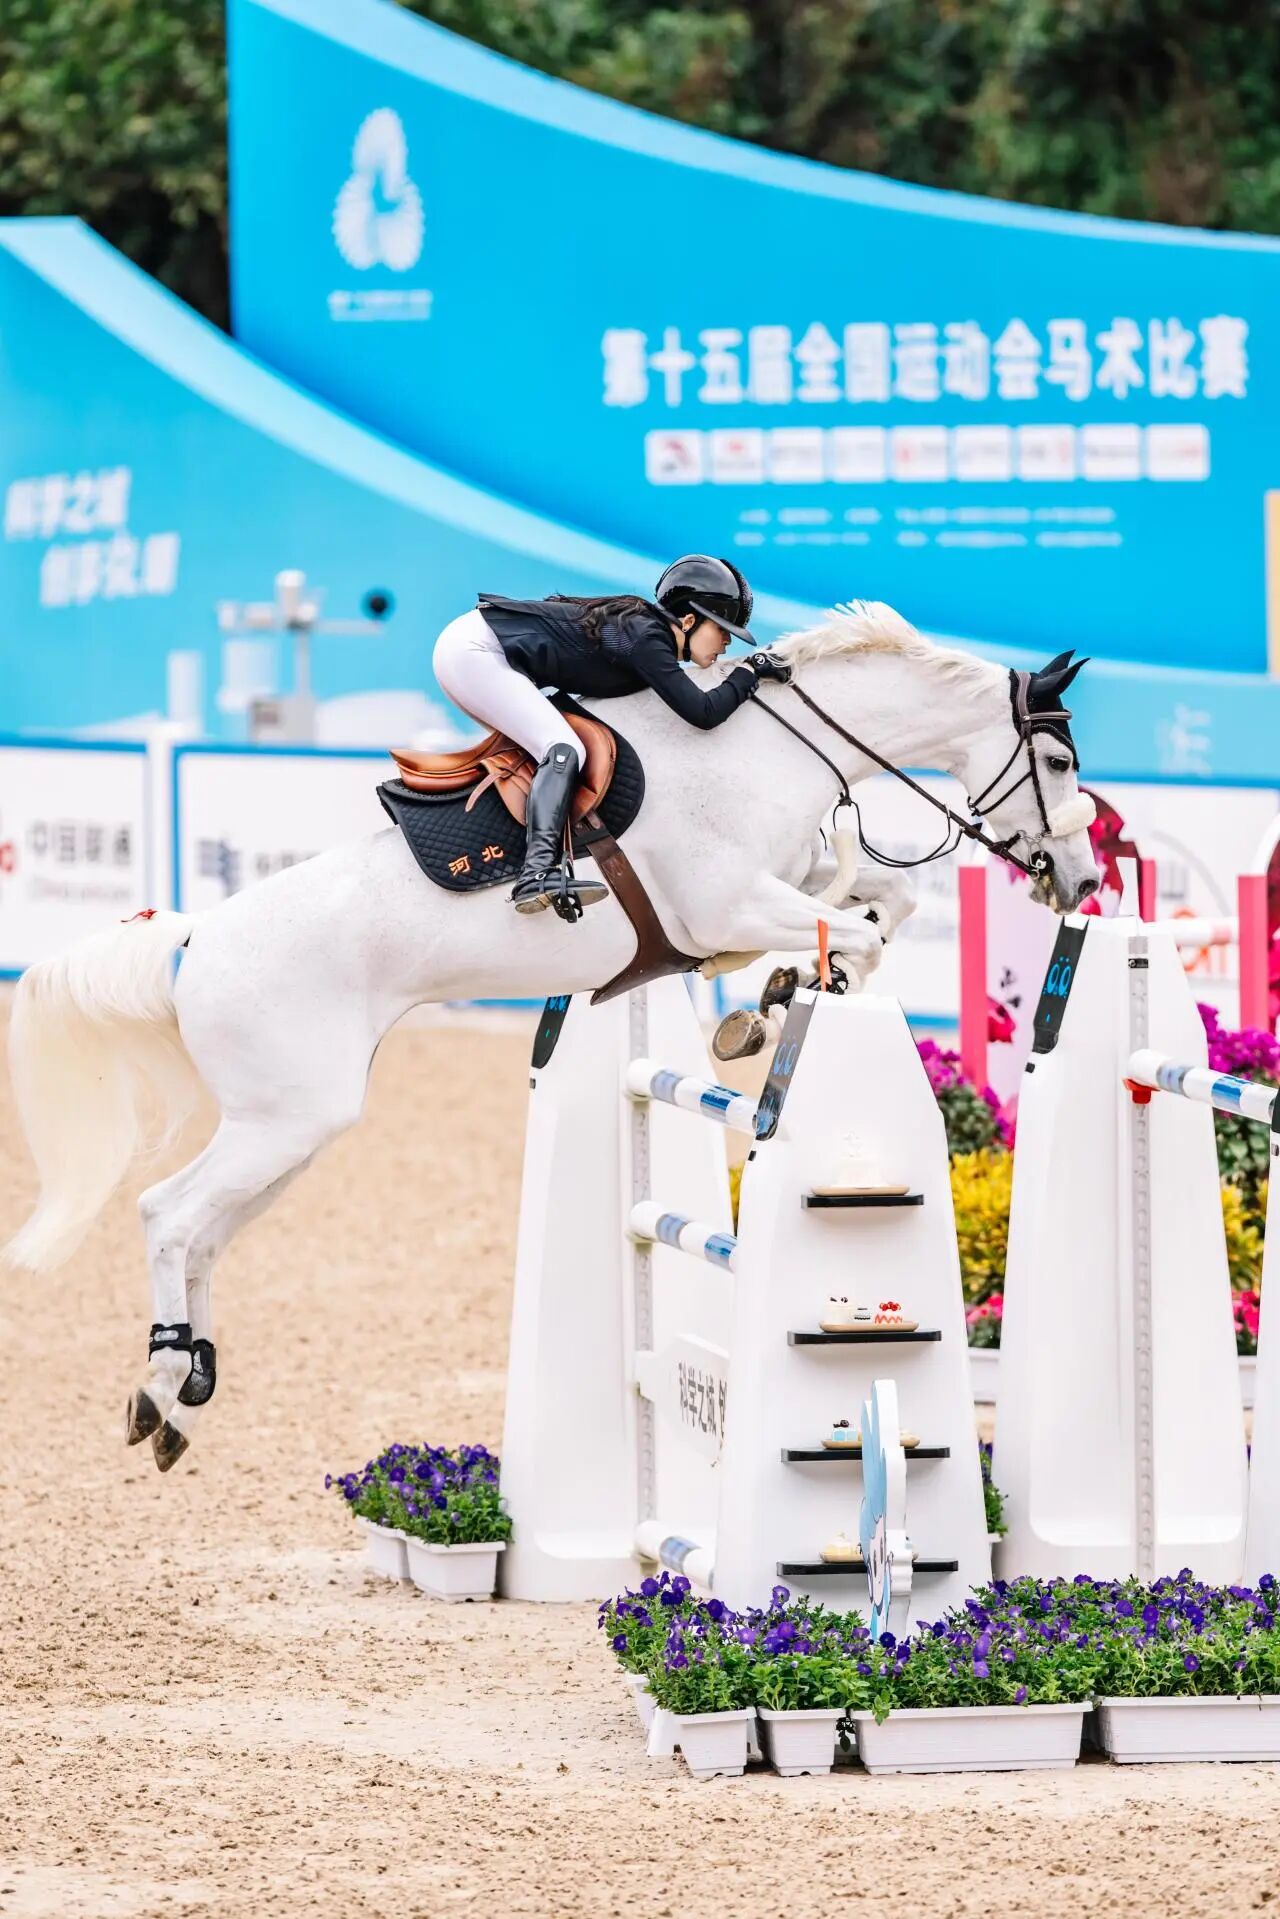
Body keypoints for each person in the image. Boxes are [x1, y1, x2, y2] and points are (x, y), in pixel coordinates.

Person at [431, 555, 792, 917]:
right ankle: (536, 873)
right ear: (687, 620)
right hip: (476, 652)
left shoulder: (646, 634)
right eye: (722, 629)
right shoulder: (648, 639)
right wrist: (751, 671)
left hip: (477, 649)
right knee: (563, 748)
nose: (727, 642)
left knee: (556, 746)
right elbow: (704, 712)